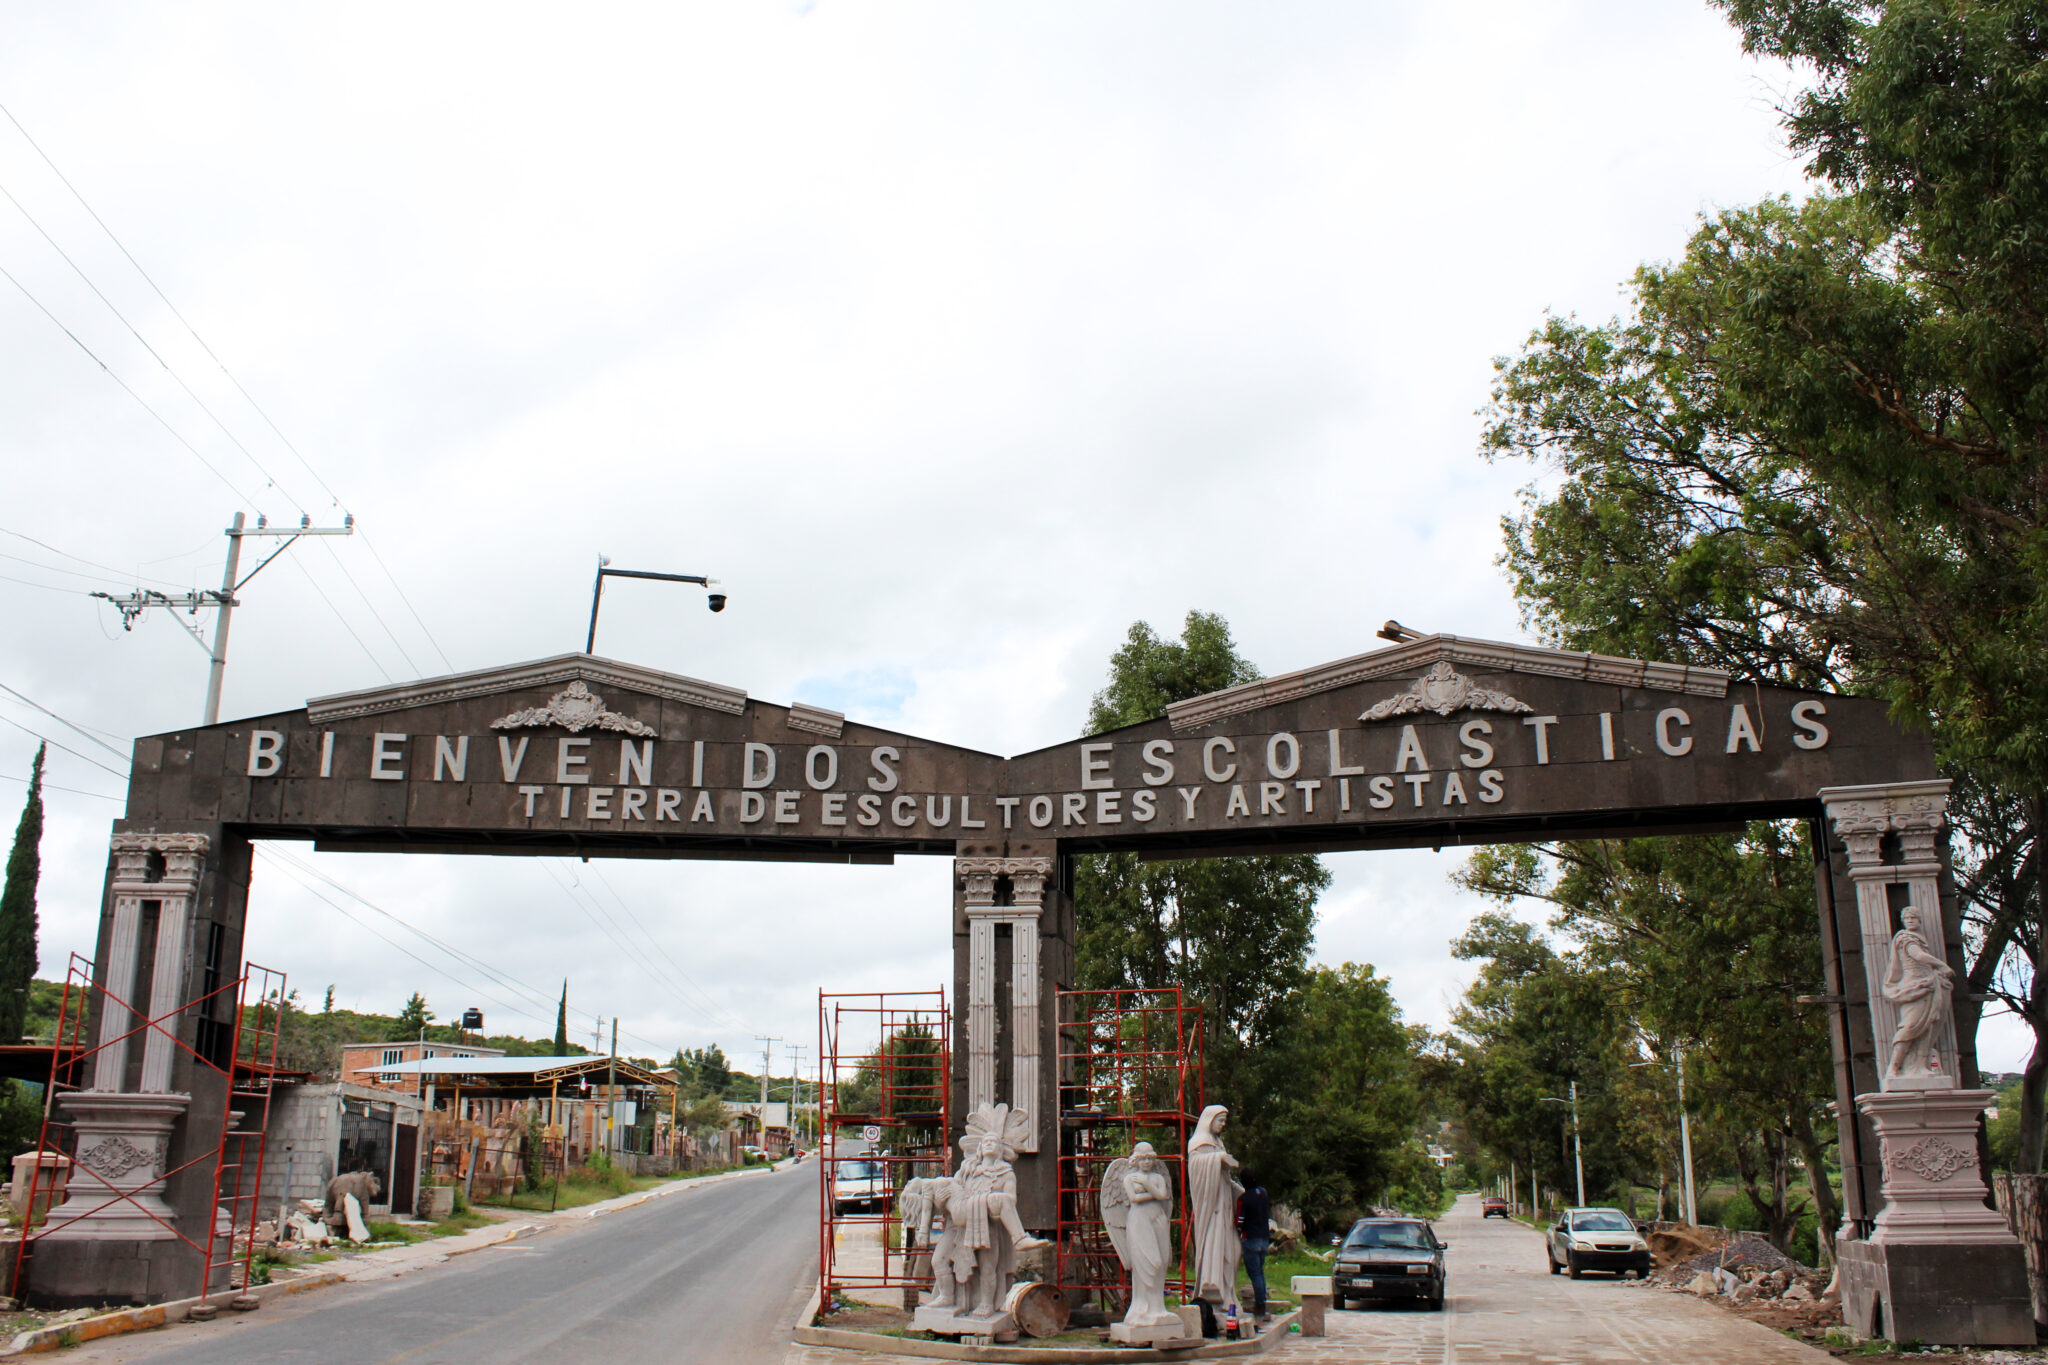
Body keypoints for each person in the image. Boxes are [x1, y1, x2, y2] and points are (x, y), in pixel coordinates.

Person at [1187, 1105, 1242, 1337]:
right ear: (1209, 1120)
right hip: (1213, 1209)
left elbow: (1225, 1178)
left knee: (1233, 1252)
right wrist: (1218, 1159)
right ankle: (1213, 1291)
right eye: (1220, 1120)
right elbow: (1196, 1170)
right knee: (1217, 1248)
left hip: (1224, 1205)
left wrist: (1240, 1191)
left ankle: (1229, 1294)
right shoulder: (1198, 1142)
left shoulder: (1217, 1143)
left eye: (1225, 1120)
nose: (1223, 1124)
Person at [1237, 1167, 1272, 1321]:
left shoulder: (1243, 1199)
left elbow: (1239, 1222)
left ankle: (1260, 1306)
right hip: (1264, 1238)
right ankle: (1261, 1302)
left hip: (1250, 1238)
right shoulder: (1263, 1193)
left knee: (1255, 1273)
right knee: (1260, 1272)